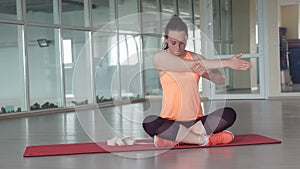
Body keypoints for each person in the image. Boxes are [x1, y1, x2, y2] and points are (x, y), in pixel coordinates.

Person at [142, 15, 252, 147]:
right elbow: (190, 65)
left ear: (187, 39)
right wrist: (228, 63)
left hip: (197, 121)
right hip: (170, 122)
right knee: (150, 122)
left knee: (228, 114)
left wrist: (207, 73)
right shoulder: (160, 58)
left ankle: (179, 138)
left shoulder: (194, 57)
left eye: (182, 43)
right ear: (166, 38)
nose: (178, 47)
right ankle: (204, 140)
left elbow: (220, 80)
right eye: (173, 43)